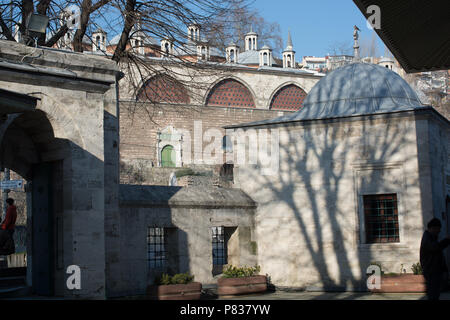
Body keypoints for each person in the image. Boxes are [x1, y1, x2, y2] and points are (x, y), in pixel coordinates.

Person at [420, 218, 450, 300]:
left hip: (434, 270)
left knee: (435, 294)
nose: (439, 231)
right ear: (432, 228)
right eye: (438, 229)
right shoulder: (427, 238)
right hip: (431, 271)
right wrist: (446, 240)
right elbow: (435, 248)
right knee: (433, 294)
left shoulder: (431, 237)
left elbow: (438, 253)